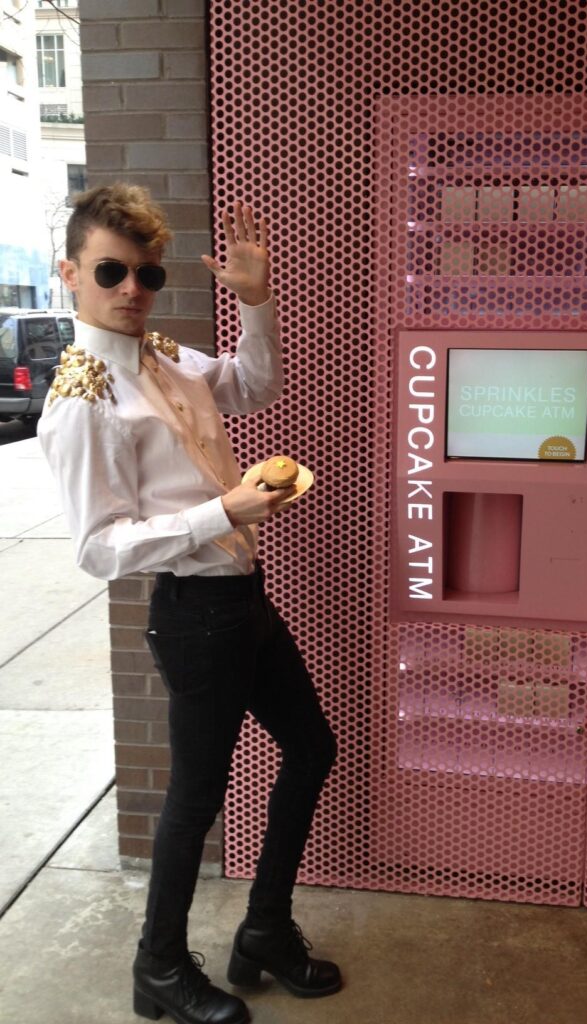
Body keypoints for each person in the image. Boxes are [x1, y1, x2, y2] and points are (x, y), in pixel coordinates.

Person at [38, 183, 340, 1024]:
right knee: (196, 799)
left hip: (243, 595)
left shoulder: (164, 358)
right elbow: (99, 548)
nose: (132, 289)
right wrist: (224, 512)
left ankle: (264, 932)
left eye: (147, 274)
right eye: (111, 272)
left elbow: (252, 384)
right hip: (196, 612)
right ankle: (159, 970)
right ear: (69, 273)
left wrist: (256, 301)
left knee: (312, 747)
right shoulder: (82, 403)